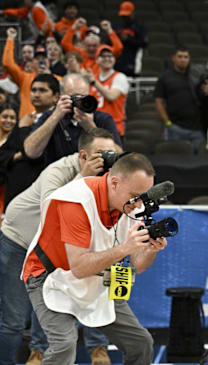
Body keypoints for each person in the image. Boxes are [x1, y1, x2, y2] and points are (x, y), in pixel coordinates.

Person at [23, 153, 164, 364]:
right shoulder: (75, 200)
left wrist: (151, 250)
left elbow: (139, 265)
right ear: (114, 182)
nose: (138, 204)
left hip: (97, 276)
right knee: (64, 345)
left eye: (143, 196)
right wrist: (125, 248)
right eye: (135, 195)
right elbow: (79, 267)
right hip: (51, 277)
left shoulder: (135, 203)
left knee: (140, 342)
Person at [0, 128, 117, 365]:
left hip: (57, 248)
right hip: (20, 239)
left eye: (111, 153)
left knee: (59, 303)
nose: (106, 159)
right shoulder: (59, 170)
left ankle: (57, 351)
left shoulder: (110, 175)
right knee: (14, 319)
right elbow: (51, 211)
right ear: (83, 156)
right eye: (100, 154)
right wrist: (83, 178)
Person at [23, 73, 121, 167]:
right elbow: (30, 152)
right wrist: (55, 117)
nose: (79, 102)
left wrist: (91, 128)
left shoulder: (102, 118)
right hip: (59, 177)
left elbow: (119, 158)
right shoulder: (51, 116)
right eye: (73, 97)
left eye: (83, 97)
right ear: (60, 97)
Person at [0, 74, 59, 210]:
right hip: (14, 196)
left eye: (42, 90)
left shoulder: (59, 123)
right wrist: (17, 156)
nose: (36, 94)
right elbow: (3, 154)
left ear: (56, 97)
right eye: (34, 90)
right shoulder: (23, 120)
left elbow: (34, 154)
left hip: (38, 198)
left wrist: (25, 129)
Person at [154, 47, 208, 153]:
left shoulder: (196, 76)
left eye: (186, 57)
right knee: (176, 162)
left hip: (197, 129)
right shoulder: (165, 77)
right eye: (180, 57)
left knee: (199, 162)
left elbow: (207, 96)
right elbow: (159, 102)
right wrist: (168, 123)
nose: (183, 59)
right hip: (175, 128)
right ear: (173, 58)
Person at [2, 27, 55, 118]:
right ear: (33, 62)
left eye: (43, 58)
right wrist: (10, 39)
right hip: (27, 124)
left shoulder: (58, 79)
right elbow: (7, 63)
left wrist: (50, 77)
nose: (40, 61)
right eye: (37, 59)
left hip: (50, 124)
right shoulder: (24, 78)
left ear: (49, 61)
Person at [89, 45, 129, 137]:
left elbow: (111, 96)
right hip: (94, 127)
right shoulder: (92, 78)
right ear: (97, 60)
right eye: (103, 56)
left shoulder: (120, 77)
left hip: (114, 127)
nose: (107, 59)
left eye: (110, 56)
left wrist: (94, 82)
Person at [115, 1, 148, 77]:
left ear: (132, 13)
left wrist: (128, 39)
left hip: (133, 60)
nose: (125, 17)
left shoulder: (139, 26)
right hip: (119, 61)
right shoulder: (118, 25)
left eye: (127, 15)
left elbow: (144, 43)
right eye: (123, 15)